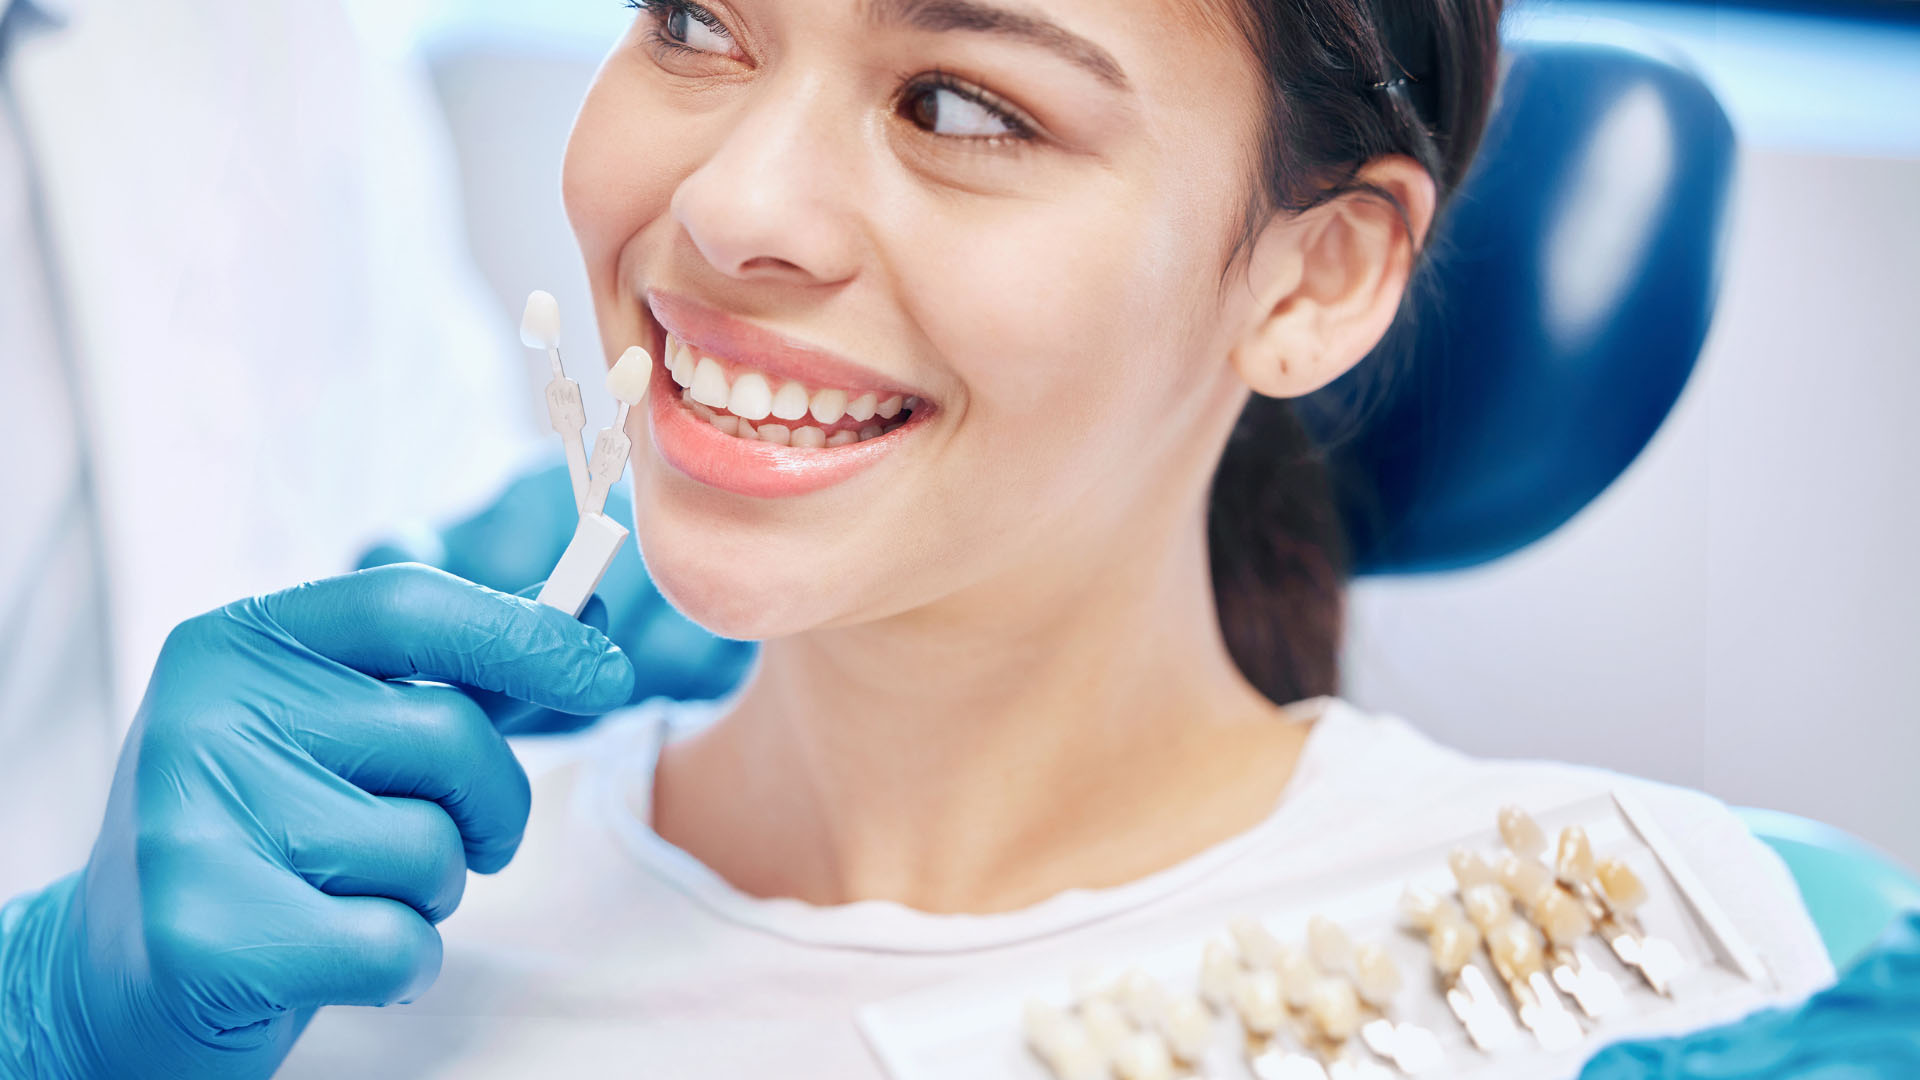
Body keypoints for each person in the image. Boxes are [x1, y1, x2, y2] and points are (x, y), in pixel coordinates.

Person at [0, 0, 1839, 1077]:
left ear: (1315, 274)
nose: (726, 209)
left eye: (960, 104)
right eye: (700, 16)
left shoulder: (1678, 958)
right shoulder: (337, 975)